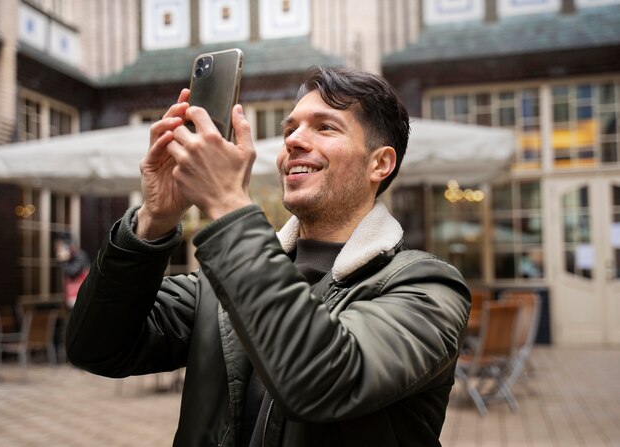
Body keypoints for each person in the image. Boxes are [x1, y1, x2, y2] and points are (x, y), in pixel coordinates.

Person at [66, 66, 471, 447]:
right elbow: (96, 347)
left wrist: (227, 203)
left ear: (380, 163)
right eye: (289, 129)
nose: (292, 140)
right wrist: (153, 218)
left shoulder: (428, 287)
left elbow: (323, 382)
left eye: (325, 127)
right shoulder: (218, 287)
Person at [54, 234, 90, 309]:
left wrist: (63, 261)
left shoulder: (80, 255)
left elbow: (73, 272)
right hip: (71, 296)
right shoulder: (71, 257)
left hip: (79, 296)